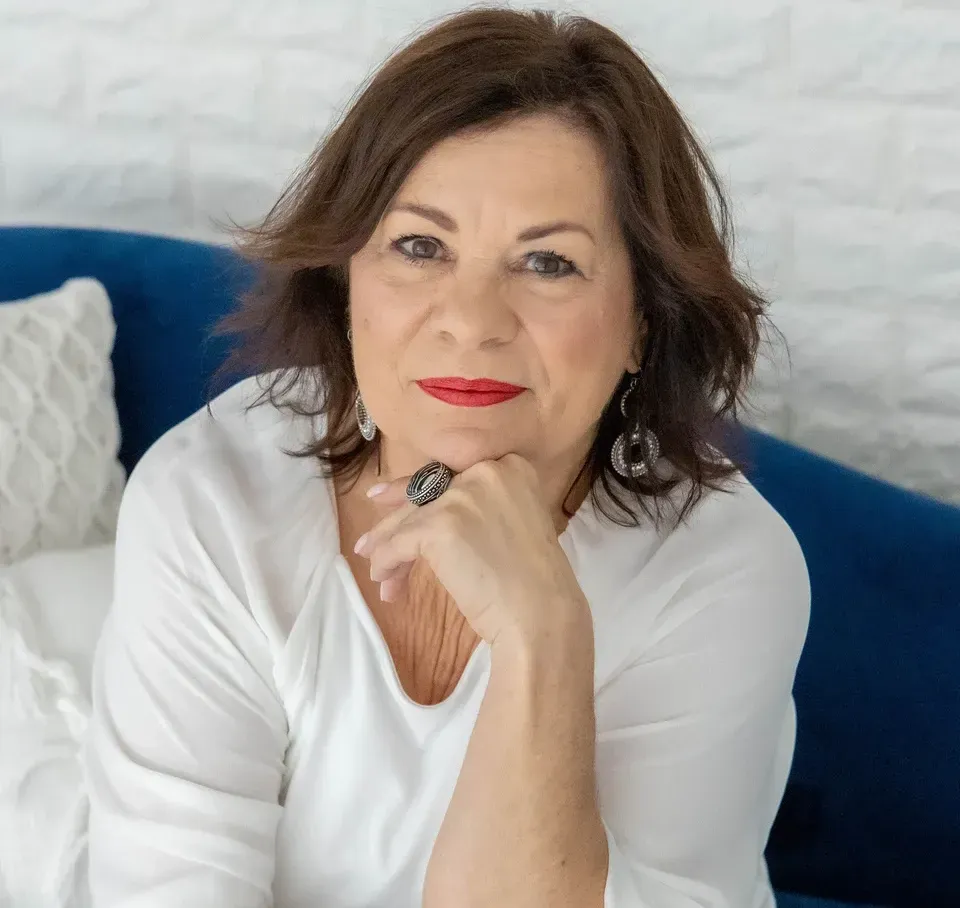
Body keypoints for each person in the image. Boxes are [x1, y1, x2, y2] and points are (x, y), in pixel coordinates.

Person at [83, 7, 810, 908]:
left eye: (547, 263)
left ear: (642, 325)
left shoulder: (725, 571)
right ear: (347, 282)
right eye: (420, 247)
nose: (472, 319)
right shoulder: (212, 494)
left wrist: (543, 636)